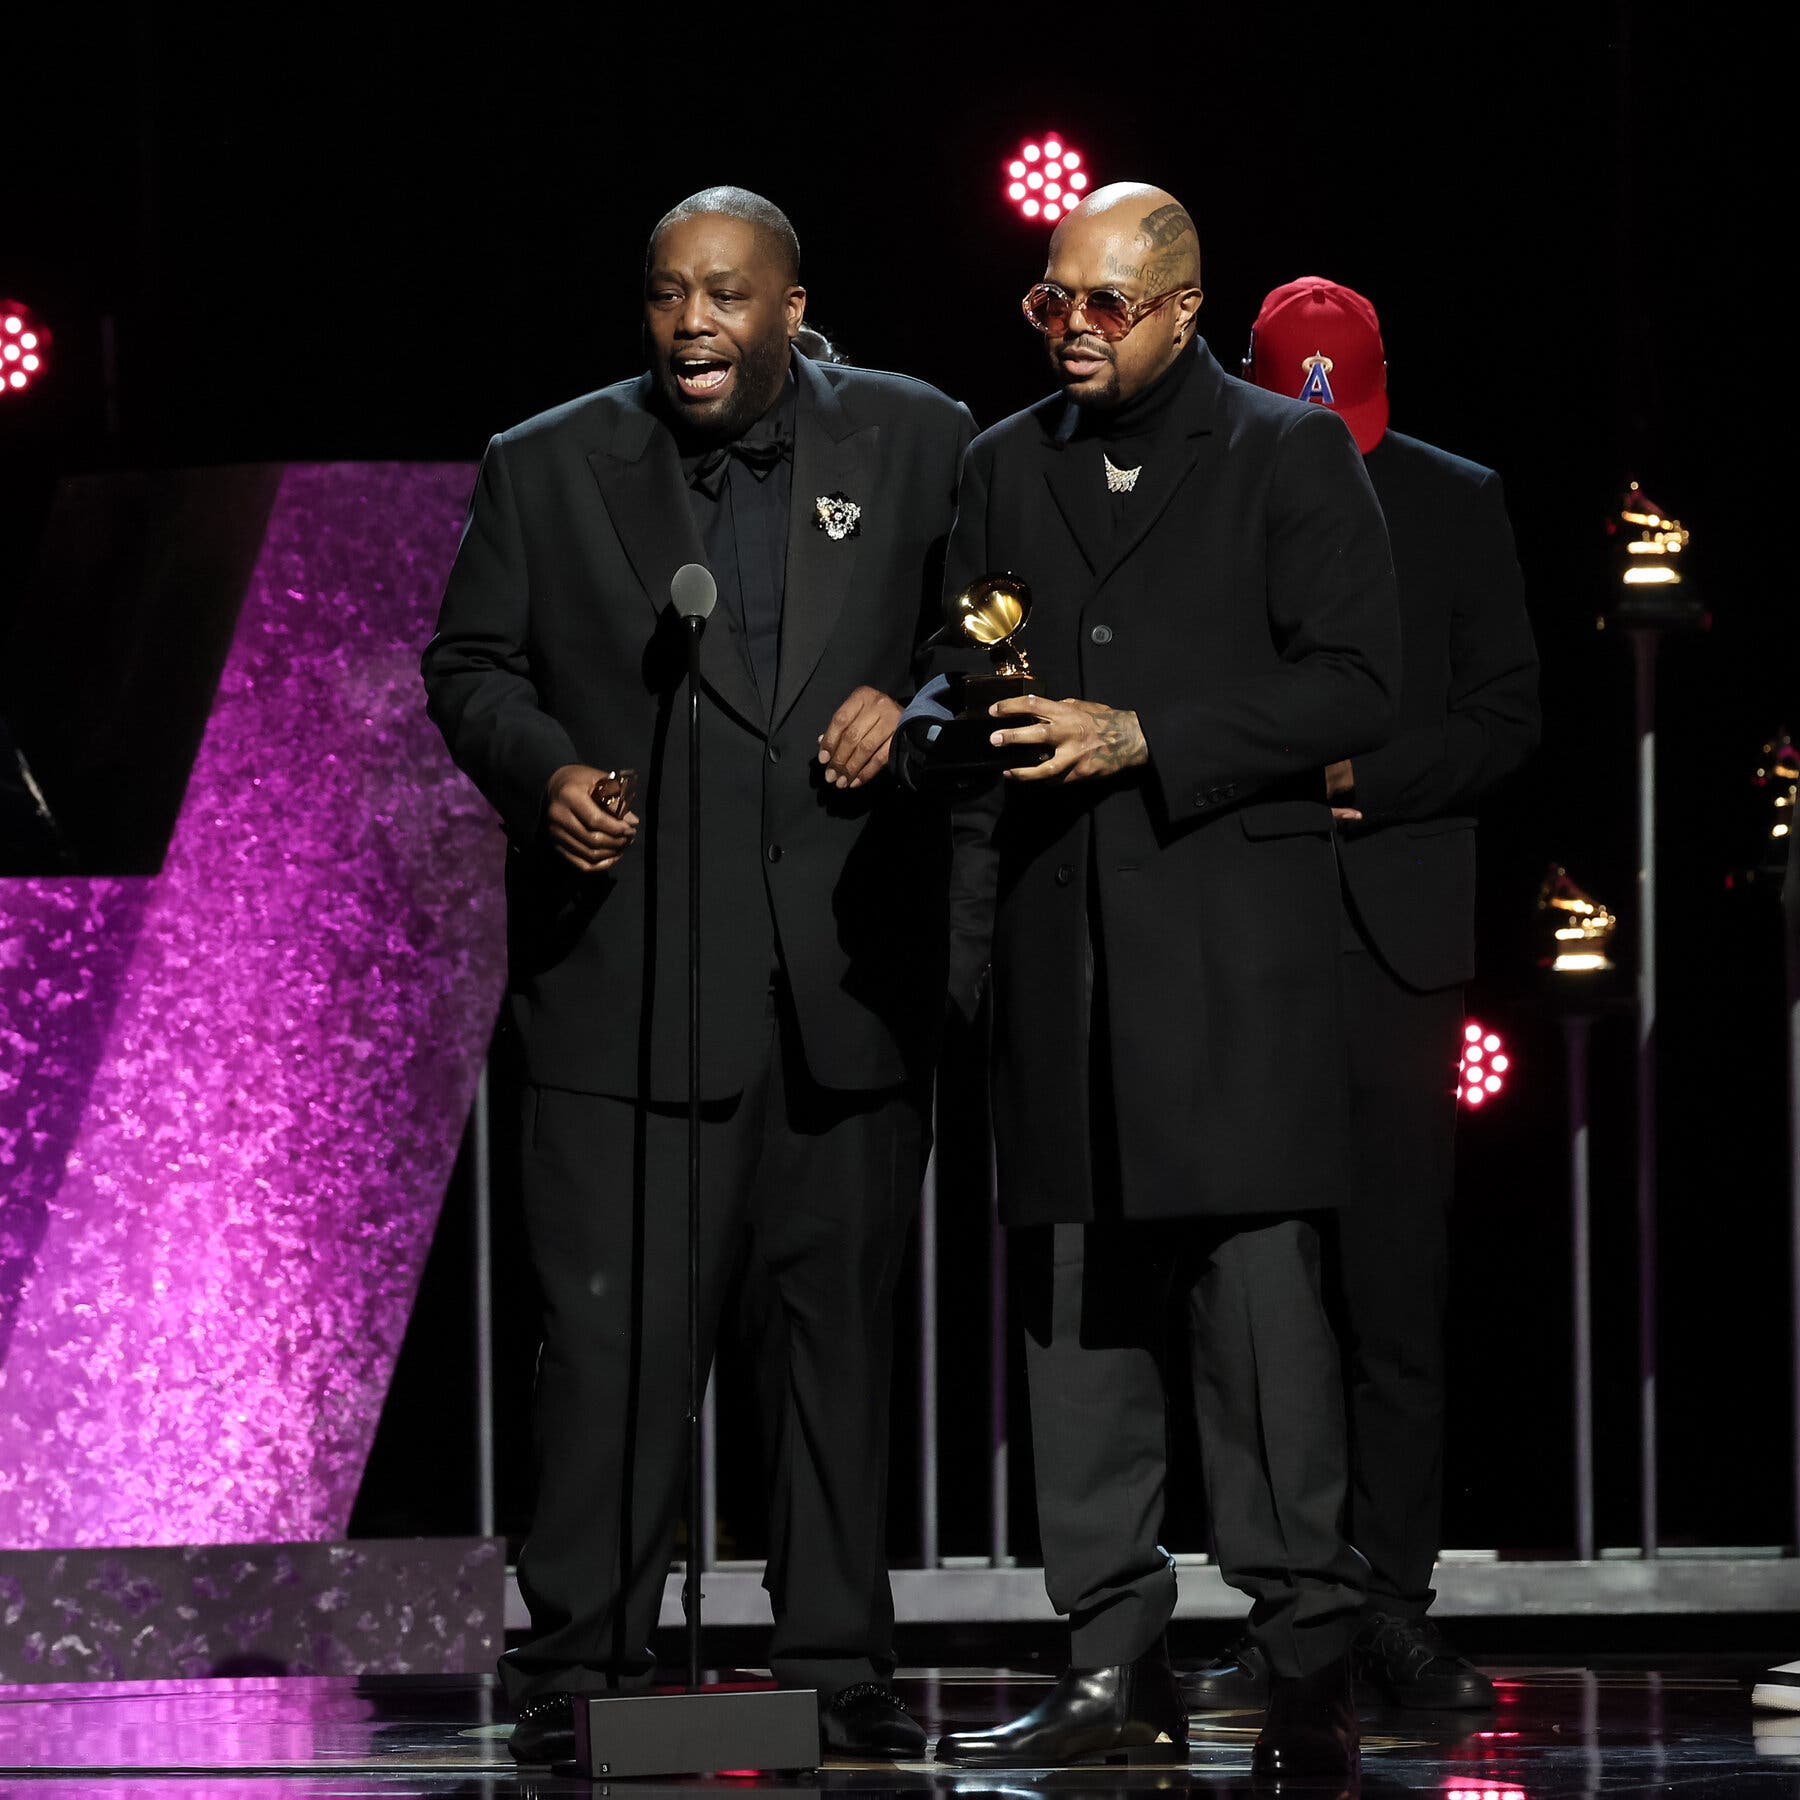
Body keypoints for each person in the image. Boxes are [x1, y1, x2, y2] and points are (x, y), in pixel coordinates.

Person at [422, 186, 972, 1767]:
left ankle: (836, 1663)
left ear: (794, 304)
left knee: (837, 1358)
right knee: (609, 1359)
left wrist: (915, 705)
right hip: (631, 999)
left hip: (843, 994)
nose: (691, 326)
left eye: (726, 295)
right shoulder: (546, 461)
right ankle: (581, 1666)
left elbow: (983, 633)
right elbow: (469, 664)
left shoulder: (922, 438)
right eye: (667, 295)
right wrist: (547, 776)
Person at [918, 185, 1399, 1784]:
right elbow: (979, 701)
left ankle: (1309, 1658)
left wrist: (1148, 736)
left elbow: (1358, 680)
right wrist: (971, 965)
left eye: (1105, 306)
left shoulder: (1283, 452)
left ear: (1187, 308)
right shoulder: (1002, 467)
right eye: (1051, 302)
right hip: (1063, 966)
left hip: (1229, 969)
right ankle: (1116, 1667)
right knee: (1079, 1333)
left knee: (1260, 1329)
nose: (1071, 331)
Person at [1187, 277, 1540, 1714]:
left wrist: (1354, 782)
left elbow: (1506, 714)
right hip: (1249, 942)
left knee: (1395, 1300)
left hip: (1394, 951)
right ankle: (1292, 1614)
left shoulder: (1457, 501)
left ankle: (1394, 1604)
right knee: (1259, 1307)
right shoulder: (1214, 496)